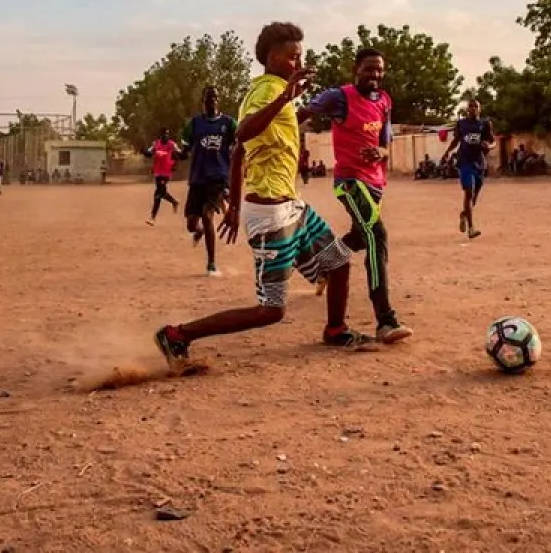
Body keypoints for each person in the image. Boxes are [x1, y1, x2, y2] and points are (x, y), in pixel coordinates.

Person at [154, 21, 376, 370]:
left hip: (290, 204)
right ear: (273, 56)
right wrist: (286, 96)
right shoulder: (266, 92)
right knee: (271, 310)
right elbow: (241, 134)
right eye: (293, 56)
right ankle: (178, 334)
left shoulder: (277, 90)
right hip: (270, 215)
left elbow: (242, 152)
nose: (298, 62)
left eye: (300, 55)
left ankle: (336, 329)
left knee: (337, 262)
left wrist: (233, 206)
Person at [301, 47, 412, 344]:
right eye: (369, 68)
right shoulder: (339, 97)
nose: (374, 74)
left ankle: (324, 264)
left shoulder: (385, 101)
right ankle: (385, 321)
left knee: (361, 236)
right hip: (350, 182)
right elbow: (301, 114)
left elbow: (386, 144)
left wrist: (380, 151)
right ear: (356, 69)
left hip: (375, 183)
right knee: (377, 236)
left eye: (379, 69)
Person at [180, 86, 237, 276]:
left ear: (218, 100)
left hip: (218, 177)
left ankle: (211, 263)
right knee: (191, 223)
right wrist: (177, 155)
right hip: (198, 178)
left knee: (207, 215)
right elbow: (185, 149)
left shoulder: (229, 124)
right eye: (208, 97)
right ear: (203, 101)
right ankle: (199, 231)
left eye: (215, 97)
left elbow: (240, 145)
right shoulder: (195, 124)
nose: (212, 100)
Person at [440, 99, 493, 238]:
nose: (473, 108)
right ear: (467, 109)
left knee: (473, 198)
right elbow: (456, 140)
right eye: (470, 106)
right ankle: (471, 229)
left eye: (476, 106)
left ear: (480, 109)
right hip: (465, 162)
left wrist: (489, 146)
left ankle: (464, 214)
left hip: (479, 163)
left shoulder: (485, 124)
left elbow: (493, 141)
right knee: (469, 192)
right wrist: (447, 152)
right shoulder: (461, 124)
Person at [144, 129, 181, 224]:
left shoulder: (172, 144)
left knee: (158, 194)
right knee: (162, 192)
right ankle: (174, 202)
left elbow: (179, 154)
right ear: (160, 136)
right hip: (157, 172)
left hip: (166, 172)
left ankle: (152, 218)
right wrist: (144, 152)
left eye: (168, 134)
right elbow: (149, 153)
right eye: (164, 134)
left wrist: (175, 165)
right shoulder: (156, 144)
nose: (166, 136)